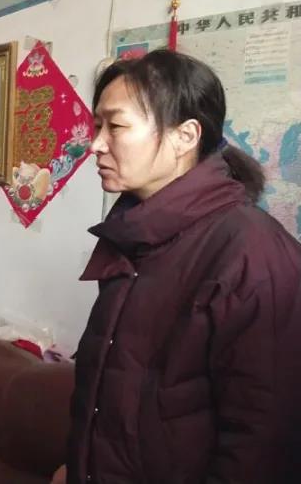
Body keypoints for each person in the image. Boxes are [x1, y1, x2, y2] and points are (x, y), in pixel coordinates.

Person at [58, 50, 301, 483]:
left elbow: (263, 442)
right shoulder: (133, 233)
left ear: (185, 136)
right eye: (96, 126)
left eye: (115, 126)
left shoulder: (254, 255)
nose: (96, 144)